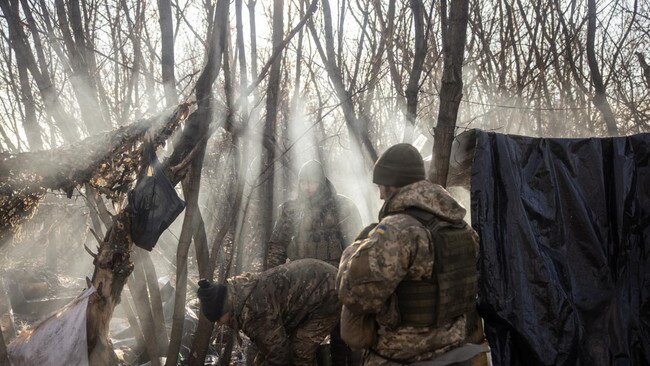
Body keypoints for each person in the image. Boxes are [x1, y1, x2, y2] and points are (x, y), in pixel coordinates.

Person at [337, 143, 480, 366]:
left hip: (403, 357)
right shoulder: (462, 228)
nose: (380, 194)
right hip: (455, 351)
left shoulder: (398, 231)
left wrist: (350, 254)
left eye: (380, 186)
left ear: (390, 185)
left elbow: (356, 296)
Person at [197, 258, 340, 366]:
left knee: (300, 350)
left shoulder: (254, 311)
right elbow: (269, 344)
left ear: (224, 309)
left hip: (329, 293)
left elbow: (280, 354)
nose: (219, 324)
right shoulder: (241, 294)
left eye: (218, 319)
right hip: (314, 291)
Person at [265, 160, 362, 269]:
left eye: (312, 182)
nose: (307, 187)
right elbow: (277, 247)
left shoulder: (343, 207)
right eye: (303, 182)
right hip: (299, 274)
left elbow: (355, 245)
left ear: (321, 183)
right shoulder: (289, 210)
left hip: (334, 273)